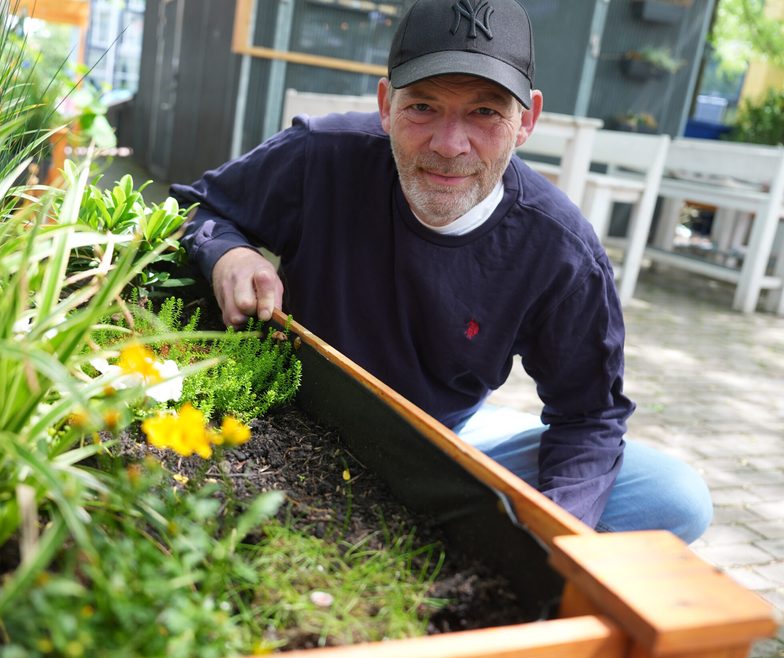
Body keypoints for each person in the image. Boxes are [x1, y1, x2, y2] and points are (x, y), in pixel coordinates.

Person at [170, 0, 712, 543]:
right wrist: (230, 254)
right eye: (423, 107)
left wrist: (556, 537)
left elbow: (589, 417)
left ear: (526, 120)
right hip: (293, 416)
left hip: (440, 438)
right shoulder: (322, 156)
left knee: (676, 497)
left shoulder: (560, 250)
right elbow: (197, 207)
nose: (449, 145)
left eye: (485, 112)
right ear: (386, 105)